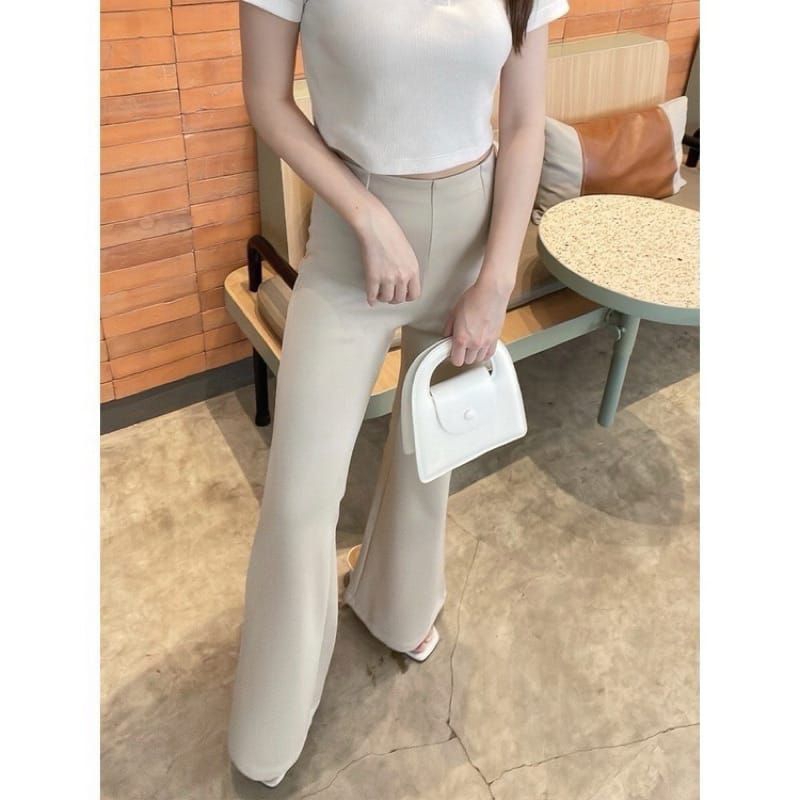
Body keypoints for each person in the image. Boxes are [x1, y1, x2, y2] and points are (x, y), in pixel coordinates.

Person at [227, 0, 570, 787]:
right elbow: (267, 98)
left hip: (474, 232)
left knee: (428, 453)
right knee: (299, 497)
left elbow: (524, 124)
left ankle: (397, 605)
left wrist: (496, 280)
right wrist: (363, 213)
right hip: (355, 242)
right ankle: (271, 723)